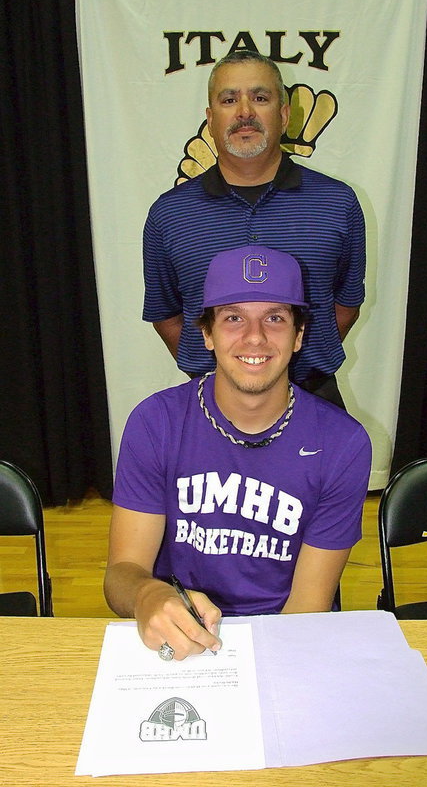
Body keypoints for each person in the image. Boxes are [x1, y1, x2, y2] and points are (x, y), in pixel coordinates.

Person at [106, 246, 371, 660]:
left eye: (275, 318)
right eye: (233, 317)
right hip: (182, 627)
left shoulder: (342, 443)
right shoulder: (155, 423)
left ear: (299, 335)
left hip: (288, 634)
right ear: (206, 333)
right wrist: (146, 595)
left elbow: (308, 606)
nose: (255, 337)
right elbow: (122, 573)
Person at [143, 49, 365, 407]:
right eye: (229, 100)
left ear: (283, 114)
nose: (244, 111)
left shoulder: (337, 203)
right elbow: (167, 315)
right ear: (211, 118)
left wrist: (289, 362)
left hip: (314, 395)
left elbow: (346, 305)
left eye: (259, 98)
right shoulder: (169, 214)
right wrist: (233, 372)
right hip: (210, 401)